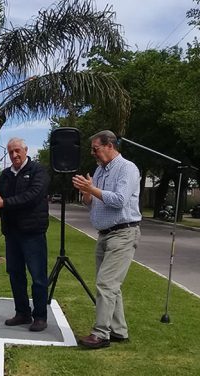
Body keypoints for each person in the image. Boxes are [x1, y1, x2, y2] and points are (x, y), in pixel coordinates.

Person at [72, 130, 141, 349]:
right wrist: (87, 194)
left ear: (110, 145)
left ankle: (101, 334)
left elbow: (119, 200)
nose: (93, 153)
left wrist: (92, 188)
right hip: (104, 234)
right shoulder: (100, 170)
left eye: (96, 149)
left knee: (106, 283)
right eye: (92, 149)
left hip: (123, 232)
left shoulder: (127, 168)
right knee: (112, 286)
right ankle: (119, 331)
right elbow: (92, 203)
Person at [0, 138, 50, 332]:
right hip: (11, 234)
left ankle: (40, 316)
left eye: (17, 151)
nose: (14, 155)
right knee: (15, 274)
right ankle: (22, 313)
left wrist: (5, 203)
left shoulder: (38, 171)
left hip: (33, 233)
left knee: (38, 277)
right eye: (11, 152)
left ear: (25, 150)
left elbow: (33, 195)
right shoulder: (6, 174)